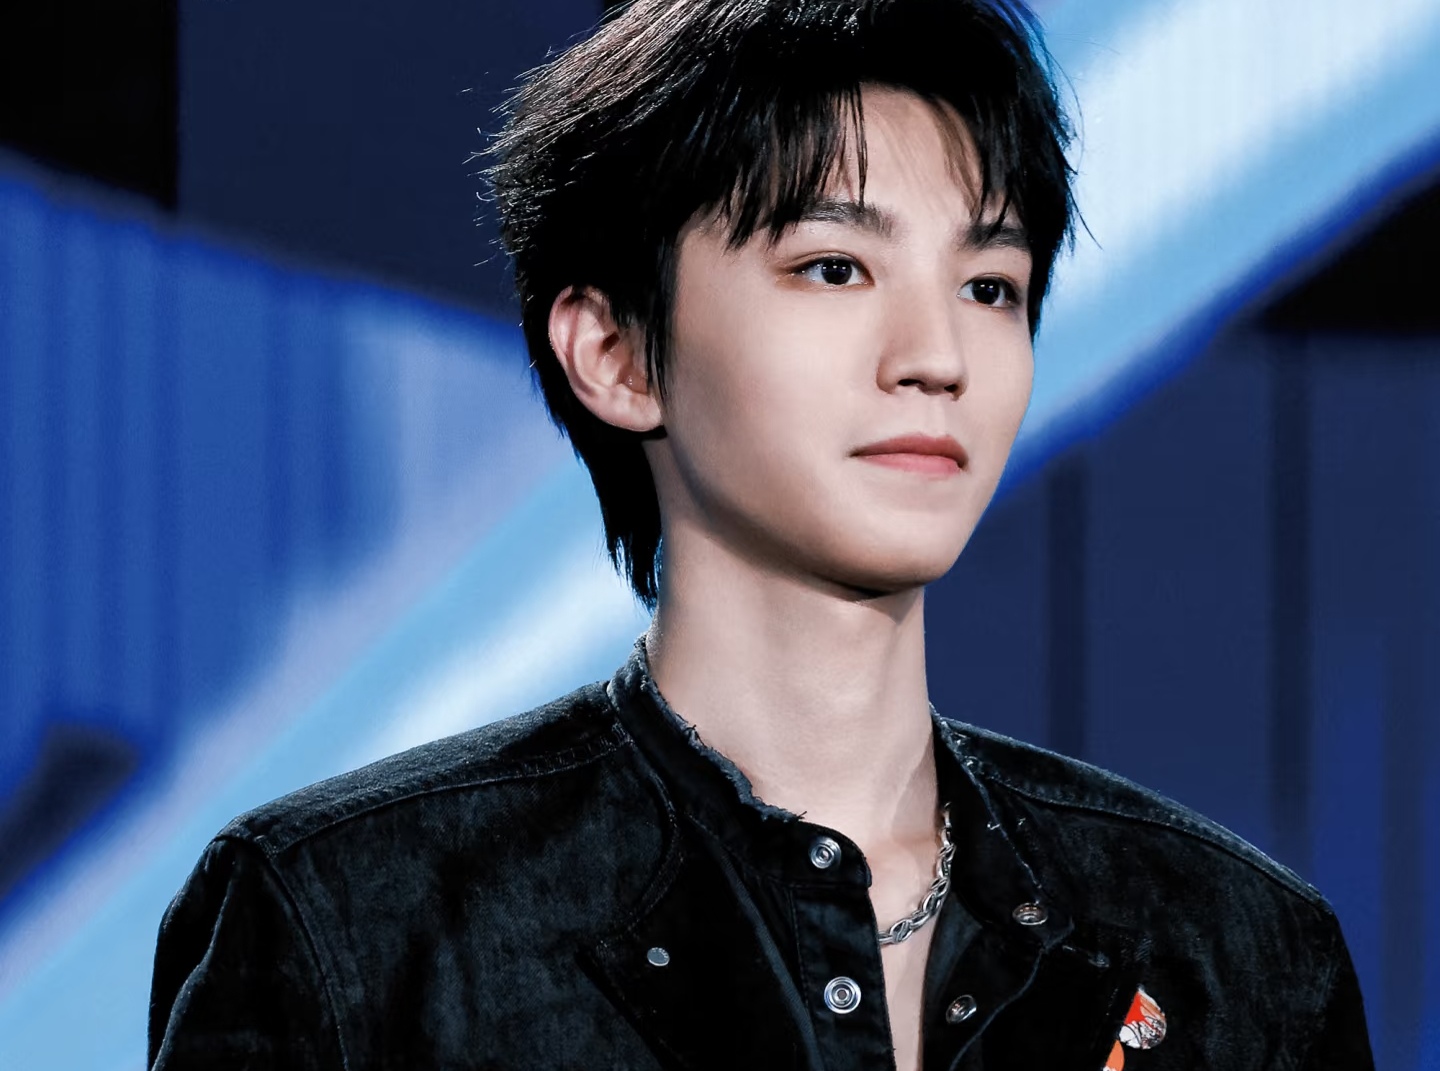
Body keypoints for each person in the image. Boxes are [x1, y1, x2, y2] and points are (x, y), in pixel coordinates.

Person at [147, 1, 1375, 1068]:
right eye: (834, 267)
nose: (937, 357)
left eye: (988, 286)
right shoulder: (353, 924)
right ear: (616, 353)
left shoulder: (1235, 951)